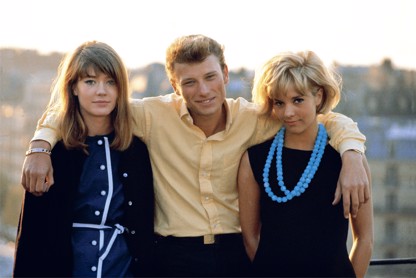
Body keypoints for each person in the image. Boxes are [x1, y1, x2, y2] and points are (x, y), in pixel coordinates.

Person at [21, 35, 369, 277]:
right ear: (174, 85)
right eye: (189, 82)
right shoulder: (152, 115)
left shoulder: (254, 119)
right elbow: (85, 106)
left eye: (210, 77)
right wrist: (40, 145)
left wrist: (352, 154)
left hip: (237, 257)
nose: (202, 91)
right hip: (174, 258)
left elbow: (321, 117)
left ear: (226, 75)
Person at [13, 41, 154, 277]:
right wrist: (40, 146)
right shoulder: (53, 153)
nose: (102, 91)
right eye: (90, 81)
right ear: (74, 87)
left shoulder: (136, 149)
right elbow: (31, 234)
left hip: (120, 268)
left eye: (111, 82)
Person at [238, 51, 373, 277]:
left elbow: (365, 239)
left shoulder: (349, 159)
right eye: (279, 102)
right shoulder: (254, 158)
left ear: (318, 96)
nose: (288, 112)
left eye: (298, 100)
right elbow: (251, 238)